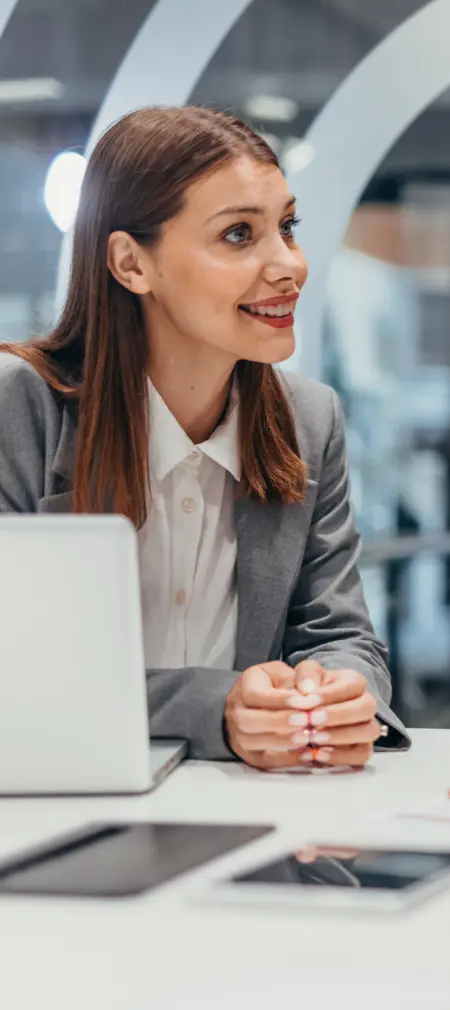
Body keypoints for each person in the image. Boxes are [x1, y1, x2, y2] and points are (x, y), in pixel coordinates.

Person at [0, 106, 409, 769]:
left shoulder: (310, 421)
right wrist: (210, 706)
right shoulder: (19, 407)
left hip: (249, 806)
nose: (288, 265)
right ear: (132, 264)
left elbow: (338, 632)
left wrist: (335, 694)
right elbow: (16, 675)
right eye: (240, 235)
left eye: (288, 227)